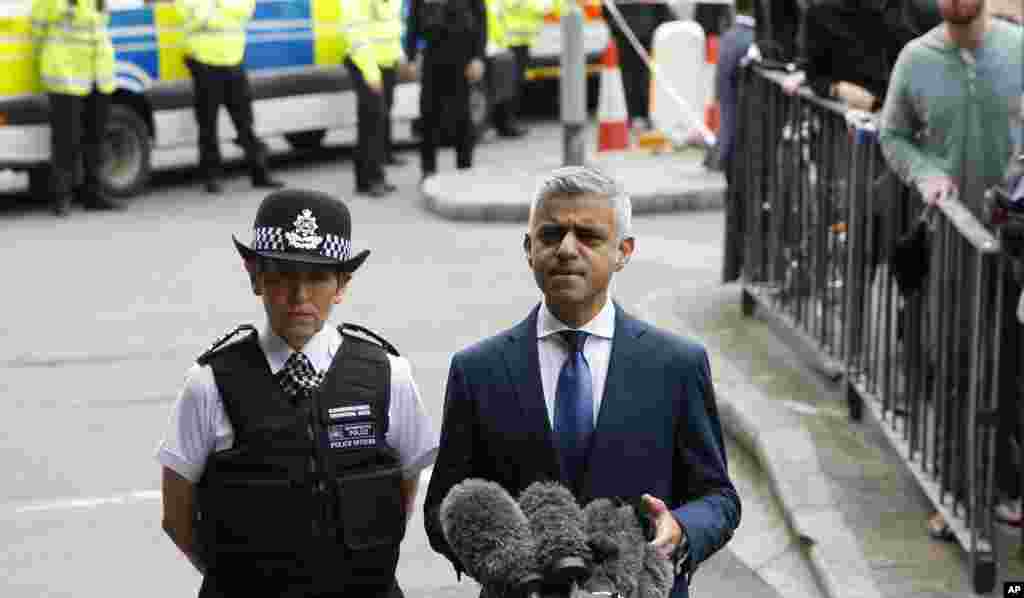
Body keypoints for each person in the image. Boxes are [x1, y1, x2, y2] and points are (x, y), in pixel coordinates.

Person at [423, 166, 741, 597]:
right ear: (529, 247)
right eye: (551, 235)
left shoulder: (676, 365)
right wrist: (504, 558)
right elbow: (444, 506)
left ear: (623, 251)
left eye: (588, 237)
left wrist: (679, 529)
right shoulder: (478, 369)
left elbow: (718, 498)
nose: (567, 250)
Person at [156, 189, 438, 597]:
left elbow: (404, 487)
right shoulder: (210, 382)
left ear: (342, 284)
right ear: (255, 277)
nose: (300, 296)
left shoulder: (388, 374)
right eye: (283, 275)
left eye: (318, 277)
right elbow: (176, 515)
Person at [878, 0, 1022, 540]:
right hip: (953, 247)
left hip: (1017, 245)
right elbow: (892, 134)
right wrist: (926, 173)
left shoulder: (1017, 48)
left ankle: (1004, 484)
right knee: (956, 369)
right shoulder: (916, 59)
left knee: (1010, 369)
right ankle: (957, 494)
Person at [175, 0, 283, 194]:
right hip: (203, 60)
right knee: (208, 124)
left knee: (245, 122)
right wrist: (226, 11)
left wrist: (216, 7)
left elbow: (246, 10)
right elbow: (196, 16)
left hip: (233, 58)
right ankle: (212, 177)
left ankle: (260, 174)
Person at [31, 0, 118, 216]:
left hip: (98, 73)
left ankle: (93, 194)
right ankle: (61, 197)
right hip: (65, 74)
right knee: (66, 139)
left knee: (95, 137)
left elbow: (100, 26)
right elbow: (37, 31)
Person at [782, 0, 941, 112]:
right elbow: (815, 75)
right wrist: (839, 90)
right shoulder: (820, 13)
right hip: (861, 117)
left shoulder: (913, 10)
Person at [404, 0, 487, 181]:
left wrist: (479, 58)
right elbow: (413, 21)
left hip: (462, 57)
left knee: (462, 117)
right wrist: (410, 57)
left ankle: (464, 170)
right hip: (433, 55)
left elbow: (481, 20)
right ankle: (428, 170)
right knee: (428, 114)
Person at [339, 0, 407, 197]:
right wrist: (371, 73)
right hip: (364, 64)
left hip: (387, 63)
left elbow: (393, 26)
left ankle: (363, 179)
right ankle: (374, 178)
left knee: (375, 119)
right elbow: (356, 36)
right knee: (374, 119)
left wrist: (399, 56)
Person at [715, 0, 756, 283]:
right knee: (746, 210)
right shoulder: (748, 42)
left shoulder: (730, 37)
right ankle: (746, 272)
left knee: (736, 210)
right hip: (746, 141)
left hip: (731, 139)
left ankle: (734, 270)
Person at [602, 0, 674, 132]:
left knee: (630, 75)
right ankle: (645, 114)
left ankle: (636, 115)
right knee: (645, 75)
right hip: (644, 29)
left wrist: (614, 26)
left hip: (626, 30)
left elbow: (607, 9)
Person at [490, 0, 549, 138]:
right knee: (511, 84)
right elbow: (537, 7)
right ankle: (506, 124)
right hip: (511, 40)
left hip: (516, 39)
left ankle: (503, 123)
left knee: (509, 83)